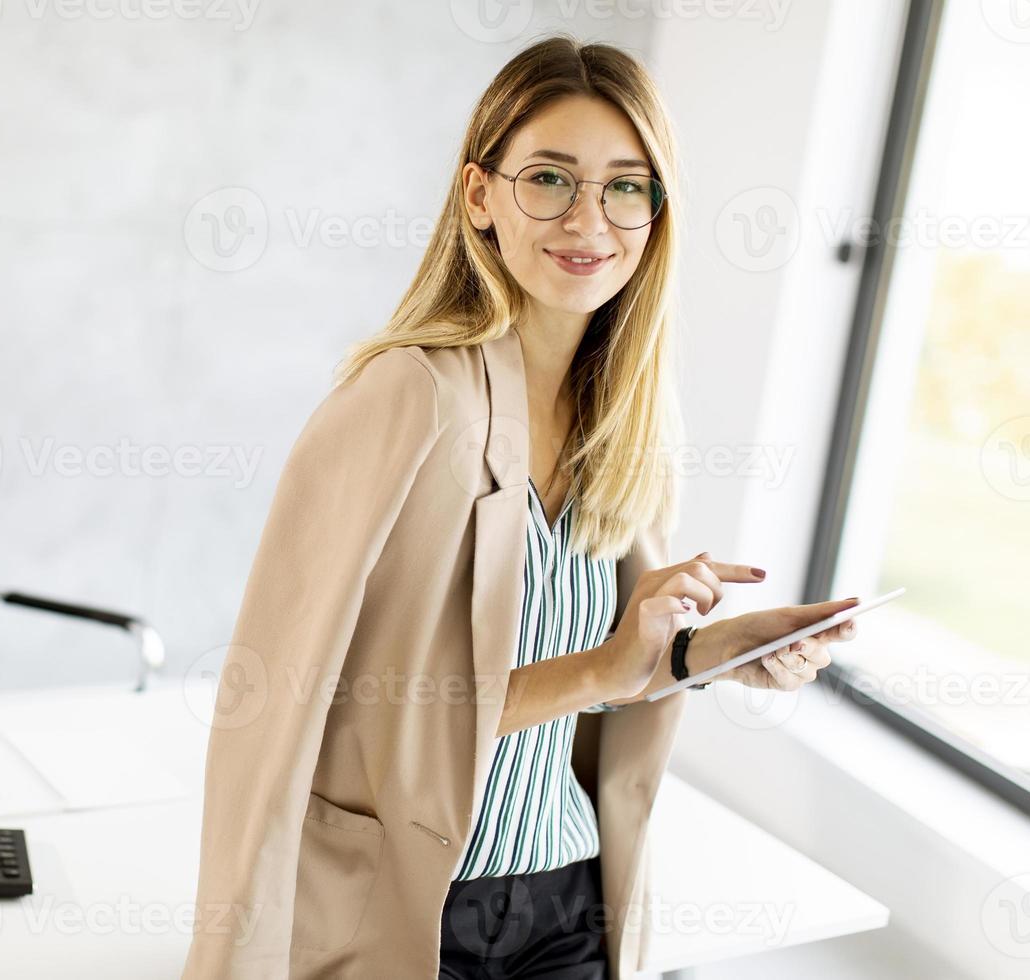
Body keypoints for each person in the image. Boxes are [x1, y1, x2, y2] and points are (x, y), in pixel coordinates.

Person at [181, 33, 861, 980]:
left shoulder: (622, 420)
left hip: (567, 899)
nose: (591, 219)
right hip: (411, 908)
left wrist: (701, 654)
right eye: (550, 178)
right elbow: (305, 705)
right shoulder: (406, 398)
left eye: (627, 186)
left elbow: (601, 674)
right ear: (479, 197)